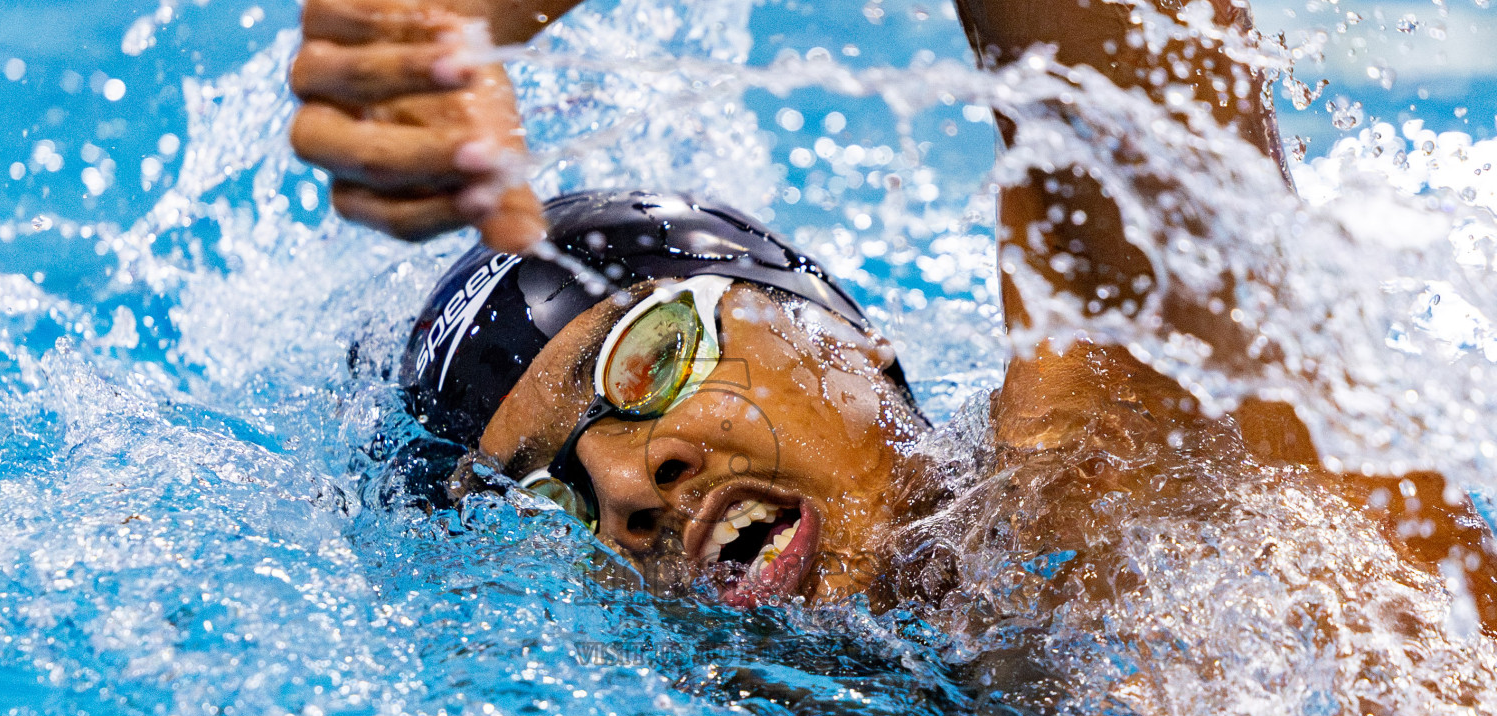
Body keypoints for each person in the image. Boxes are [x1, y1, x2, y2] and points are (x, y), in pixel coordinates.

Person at [287, 0, 1497, 630]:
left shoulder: (1140, 440)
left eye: (652, 358)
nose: (627, 481)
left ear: (849, 334)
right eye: (552, 495)